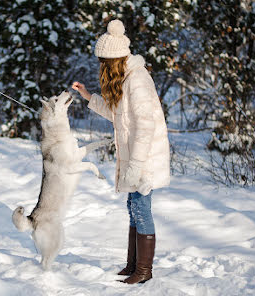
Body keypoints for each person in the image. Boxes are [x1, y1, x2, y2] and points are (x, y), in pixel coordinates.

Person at [72, 19, 170, 284]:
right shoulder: (126, 78)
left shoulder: (138, 80)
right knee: (133, 206)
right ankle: (133, 264)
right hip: (135, 158)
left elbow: (145, 127)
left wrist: (136, 164)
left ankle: (144, 271)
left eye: (104, 61)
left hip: (144, 157)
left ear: (114, 59)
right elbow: (119, 116)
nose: (102, 66)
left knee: (140, 206)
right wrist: (88, 96)